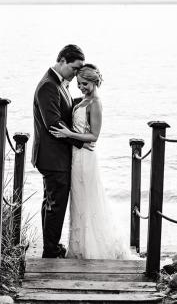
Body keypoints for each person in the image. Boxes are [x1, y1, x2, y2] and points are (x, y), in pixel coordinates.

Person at [50, 64, 135, 260]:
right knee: (79, 199)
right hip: (76, 155)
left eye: (85, 84)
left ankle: (92, 247)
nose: (81, 87)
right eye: (79, 83)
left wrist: (68, 134)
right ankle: (79, 245)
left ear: (95, 82)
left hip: (86, 158)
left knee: (88, 198)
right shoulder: (83, 100)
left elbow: (94, 136)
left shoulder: (95, 103)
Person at [32, 44, 91, 259]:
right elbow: (54, 124)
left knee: (51, 202)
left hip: (54, 155)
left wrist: (87, 103)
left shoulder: (59, 84)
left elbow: (65, 110)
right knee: (55, 204)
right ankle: (50, 250)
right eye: (75, 68)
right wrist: (81, 142)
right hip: (52, 156)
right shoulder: (48, 86)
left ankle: (51, 245)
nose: (76, 74)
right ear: (63, 60)